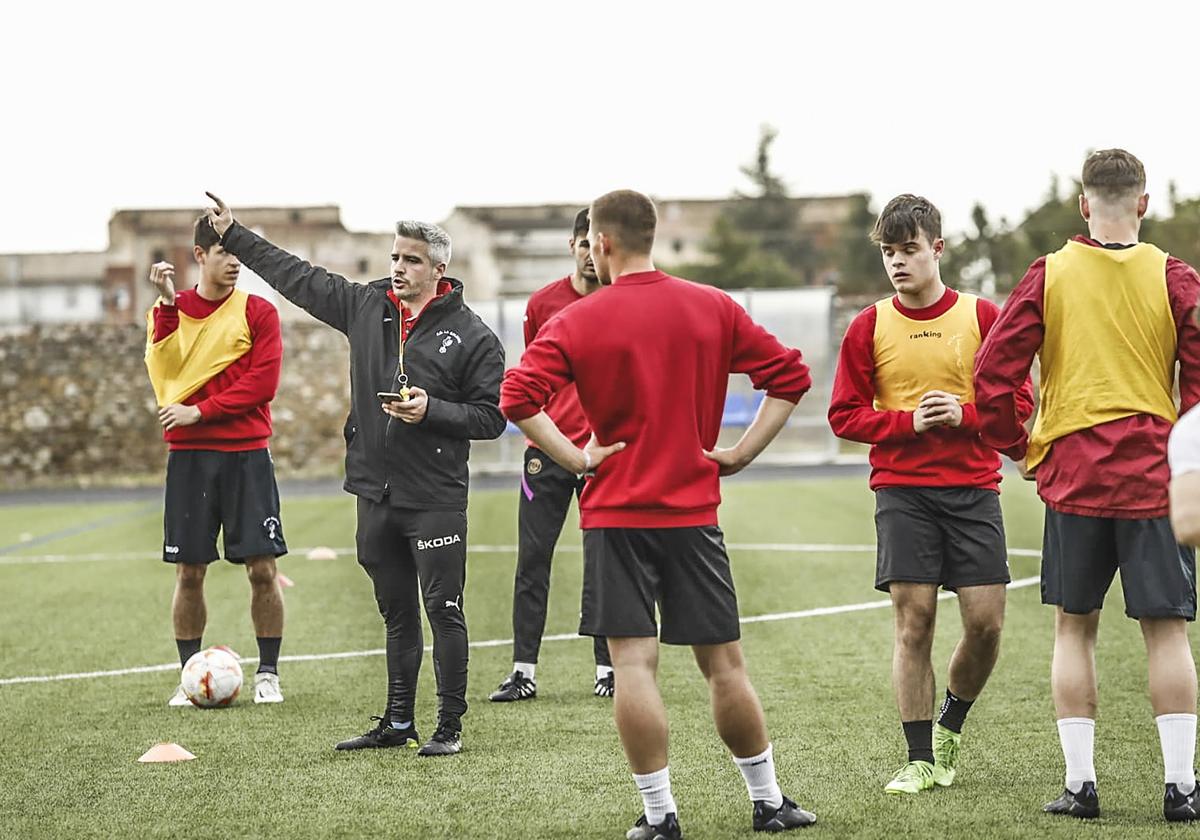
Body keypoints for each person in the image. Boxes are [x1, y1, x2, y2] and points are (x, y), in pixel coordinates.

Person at [502, 189, 817, 837]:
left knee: (633, 664)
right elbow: (791, 378)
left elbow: (517, 398)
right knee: (724, 665)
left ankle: (659, 816)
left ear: (602, 243)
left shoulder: (579, 318)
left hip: (615, 517)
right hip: (693, 516)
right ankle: (768, 803)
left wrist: (578, 460)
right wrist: (738, 455)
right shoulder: (711, 306)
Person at [203, 192, 506, 757]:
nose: (399, 266)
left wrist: (431, 410)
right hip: (374, 490)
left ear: (440, 270)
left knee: (443, 609)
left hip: (435, 496)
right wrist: (234, 233)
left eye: (412, 259)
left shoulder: (474, 336)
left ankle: (449, 727)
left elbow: (492, 417)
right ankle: (397, 722)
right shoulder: (366, 307)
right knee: (394, 612)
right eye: (396, 256)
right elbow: (297, 277)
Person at [975, 149, 1200, 822]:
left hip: (1073, 474)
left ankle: (1081, 787)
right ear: (1143, 203)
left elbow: (992, 377)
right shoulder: (1176, 277)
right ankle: (1182, 789)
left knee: (1076, 629)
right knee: (1167, 633)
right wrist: (1185, 457)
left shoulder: (1049, 275)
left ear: (1082, 204)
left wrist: (1021, 447)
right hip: (1154, 476)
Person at [828, 194, 1033, 795]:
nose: (898, 262)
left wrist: (967, 416)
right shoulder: (868, 324)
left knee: (987, 624)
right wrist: (905, 424)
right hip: (903, 492)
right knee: (913, 622)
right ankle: (919, 757)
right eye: (889, 252)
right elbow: (843, 414)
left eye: (909, 250)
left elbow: (1019, 403)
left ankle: (951, 726)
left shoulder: (982, 316)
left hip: (973, 490)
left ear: (937, 249)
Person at [144, 215, 287, 707]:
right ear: (199, 255)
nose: (234, 262)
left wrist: (199, 410)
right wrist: (166, 305)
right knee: (189, 572)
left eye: (238, 254)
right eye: (224, 253)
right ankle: (189, 674)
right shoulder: (171, 309)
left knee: (262, 569)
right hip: (189, 458)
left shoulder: (260, 312)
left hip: (248, 454)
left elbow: (261, 386)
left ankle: (268, 673)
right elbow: (165, 367)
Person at [489, 207, 613, 704]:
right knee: (532, 561)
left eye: (597, 244)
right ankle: (523, 671)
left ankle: (608, 668)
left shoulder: (621, 303)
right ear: (572, 245)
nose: (589, 253)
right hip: (546, 452)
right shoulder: (543, 305)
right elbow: (532, 382)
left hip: (604, 455)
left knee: (604, 562)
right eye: (582, 243)